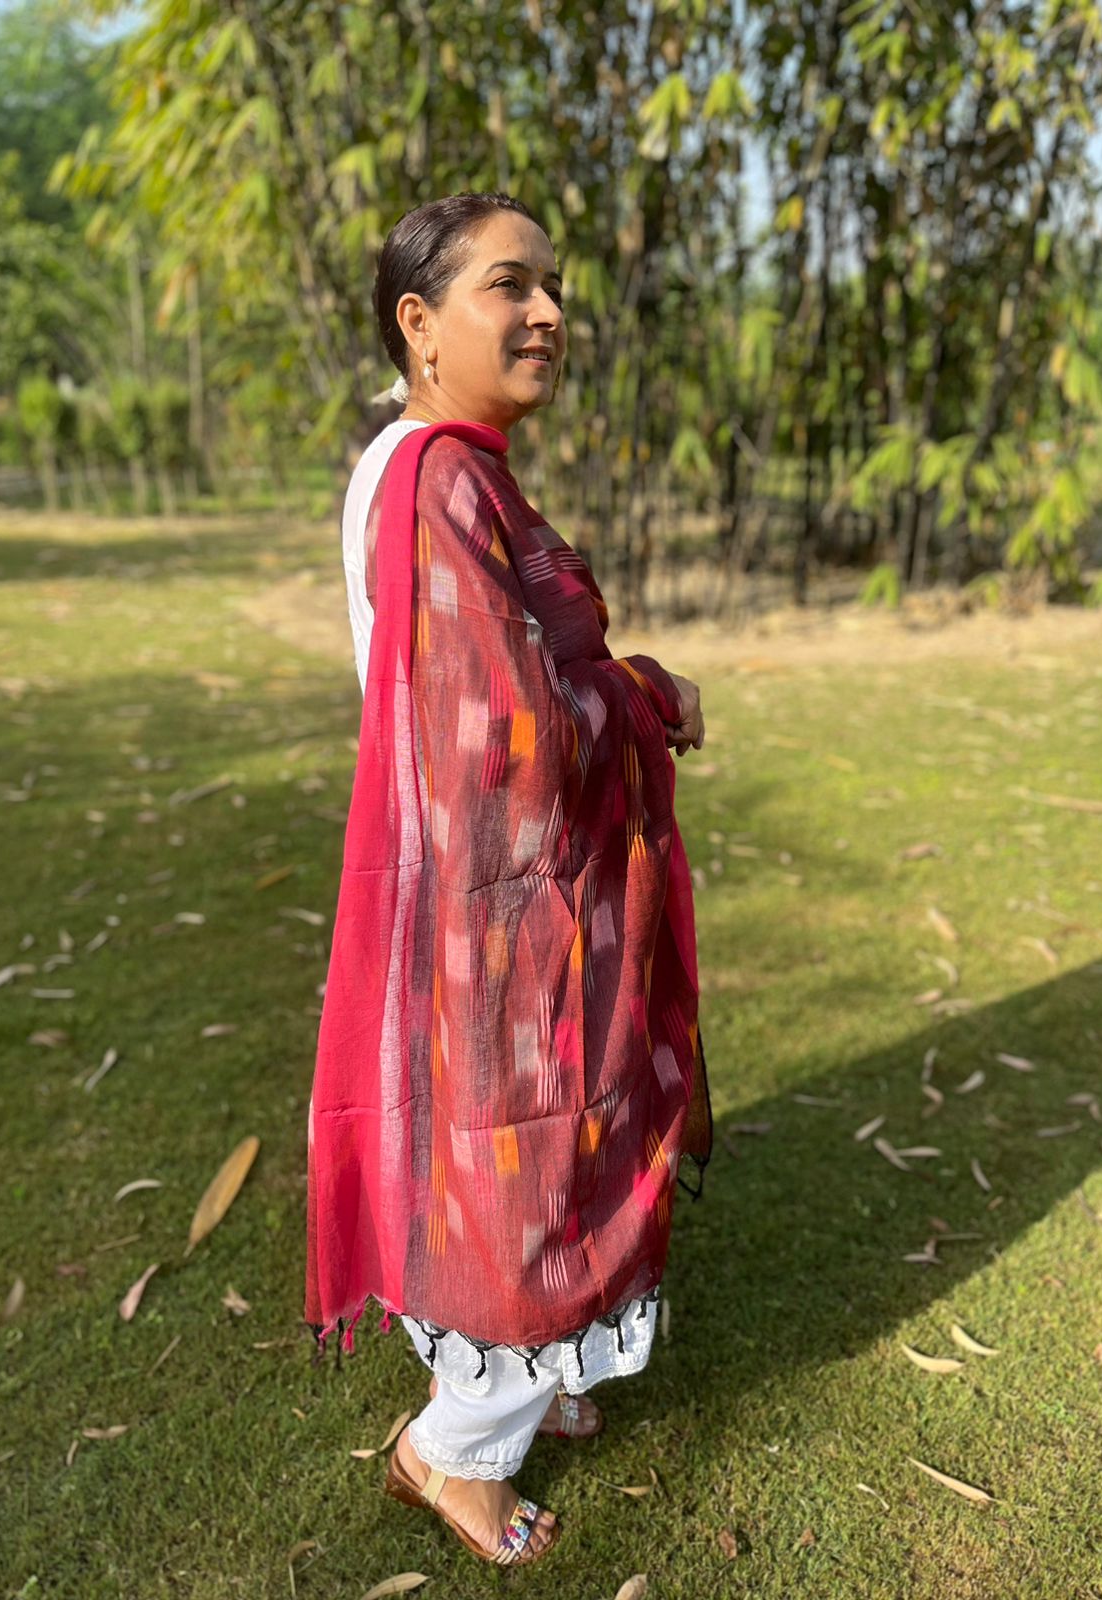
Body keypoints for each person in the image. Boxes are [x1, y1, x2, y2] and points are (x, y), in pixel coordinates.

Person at [305, 191, 712, 1568]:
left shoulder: (426, 461)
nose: (547, 311)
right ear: (418, 323)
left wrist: (624, 685)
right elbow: (510, 743)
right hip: (505, 910)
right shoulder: (440, 481)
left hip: (500, 907)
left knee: (536, 1154)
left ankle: (539, 1373)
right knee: (525, 1170)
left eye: (552, 283)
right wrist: (643, 702)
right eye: (507, 285)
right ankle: (456, 1449)